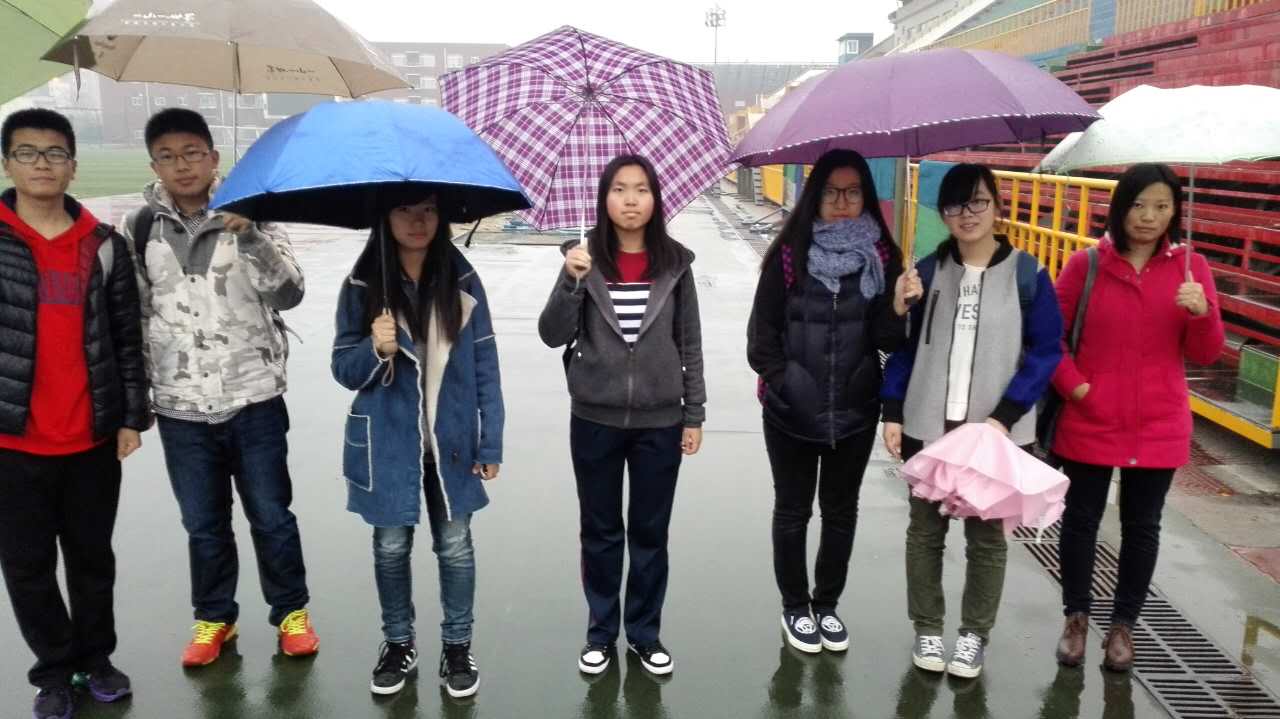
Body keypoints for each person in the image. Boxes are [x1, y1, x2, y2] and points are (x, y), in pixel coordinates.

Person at [121, 108, 317, 668]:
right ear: (154, 166)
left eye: (192, 153)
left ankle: (291, 612)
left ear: (213, 157)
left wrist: (250, 235)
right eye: (167, 156)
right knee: (204, 525)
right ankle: (214, 619)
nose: (181, 166)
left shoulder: (255, 214)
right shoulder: (140, 228)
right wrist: (138, 402)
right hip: (181, 405)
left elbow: (289, 294)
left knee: (272, 516)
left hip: (254, 398)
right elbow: (133, 314)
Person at [881, 163, 1063, 679]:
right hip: (929, 427)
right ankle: (928, 629)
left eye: (978, 201)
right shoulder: (926, 273)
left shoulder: (1028, 275)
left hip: (994, 433)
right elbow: (903, 350)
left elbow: (1046, 351)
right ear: (943, 214)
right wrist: (893, 409)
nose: (967, 214)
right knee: (925, 533)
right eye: (956, 204)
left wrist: (1006, 416)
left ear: (997, 207)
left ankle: (973, 636)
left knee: (986, 540)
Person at [0, 108, 150, 719]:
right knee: (27, 567)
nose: (42, 163)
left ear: (72, 165)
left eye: (55, 153)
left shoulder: (103, 244)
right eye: (27, 152)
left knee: (92, 560)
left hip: (91, 438)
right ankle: (54, 671)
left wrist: (131, 416)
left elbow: (126, 336)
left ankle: (96, 658)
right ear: (7, 163)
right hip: (13, 443)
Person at [538, 154, 706, 677]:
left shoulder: (675, 263)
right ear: (603, 198)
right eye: (619, 189)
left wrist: (694, 413)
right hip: (595, 419)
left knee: (650, 534)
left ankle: (645, 634)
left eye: (641, 189)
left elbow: (690, 342)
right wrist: (570, 281)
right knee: (601, 531)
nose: (630, 200)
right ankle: (600, 633)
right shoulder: (582, 259)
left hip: (661, 421)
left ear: (656, 199)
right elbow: (551, 334)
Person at [1052, 163, 1224, 672]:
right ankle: (1076, 619)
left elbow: (1207, 353)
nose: (1149, 216)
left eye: (1162, 206)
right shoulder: (1085, 265)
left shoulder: (1192, 269)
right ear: (1120, 207)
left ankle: (1124, 626)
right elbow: (1051, 338)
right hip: (1090, 416)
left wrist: (1202, 313)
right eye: (1139, 204)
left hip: (1159, 423)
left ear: (1175, 211)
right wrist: (1077, 388)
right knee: (1080, 520)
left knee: (1142, 526)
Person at [746, 149, 918, 654]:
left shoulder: (883, 257)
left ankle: (827, 606)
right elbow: (761, 340)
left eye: (853, 192)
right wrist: (787, 385)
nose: (842, 202)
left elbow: (887, 341)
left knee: (841, 512)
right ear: (814, 196)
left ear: (866, 196)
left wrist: (899, 305)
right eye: (831, 192)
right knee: (792, 511)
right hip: (789, 412)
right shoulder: (788, 254)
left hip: (855, 409)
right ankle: (795, 607)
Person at [332, 195, 503, 699]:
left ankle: (457, 646)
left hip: (451, 439)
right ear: (384, 217)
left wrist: (491, 438)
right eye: (404, 210)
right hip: (388, 439)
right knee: (390, 547)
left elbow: (486, 365)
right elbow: (343, 369)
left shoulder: (464, 281)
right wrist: (375, 348)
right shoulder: (363, 285)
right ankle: (398, 643)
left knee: (455, 546)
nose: (417, 221)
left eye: (428, 210)